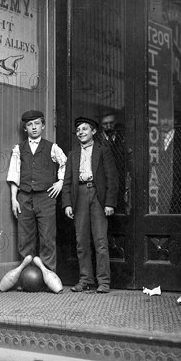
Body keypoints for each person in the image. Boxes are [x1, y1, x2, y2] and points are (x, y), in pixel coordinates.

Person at [6, 110, 67, 275]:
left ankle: (49, 277)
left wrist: (60, 182)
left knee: (47, 237)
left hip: (46, 198)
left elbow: (65, 165)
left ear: (43, 126)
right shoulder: (19, 149)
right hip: (24, 197)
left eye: (37, 124)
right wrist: (14, 198)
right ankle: (27, 276)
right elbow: (14, 175)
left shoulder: (52, 147)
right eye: (29, 125)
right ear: (25, 128)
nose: (33, 127)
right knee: (25, 238)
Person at [62, 117, 118, 293]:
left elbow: (112, 178)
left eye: (85, 129)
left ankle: (104, 282)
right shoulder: (73, 154)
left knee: (100, 240)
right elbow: (67, 181)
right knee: (81, 241)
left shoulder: (103, 151)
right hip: (79, 196)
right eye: (78, 130)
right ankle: (85, 279)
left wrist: (109, 203)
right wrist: (67, 204)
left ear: (93, 132)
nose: (81, 132)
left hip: (97, 196)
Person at [96, 112, 126, 212]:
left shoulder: (123, 137)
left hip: (120, 178)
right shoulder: (96, 140)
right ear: (101, 124)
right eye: (105, 124)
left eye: (111, 123)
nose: (109, 126)